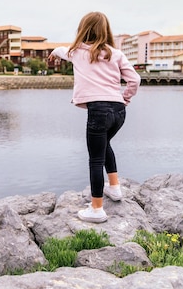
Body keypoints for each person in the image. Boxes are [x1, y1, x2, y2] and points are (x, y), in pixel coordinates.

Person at [49, 11, 140, 223]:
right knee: (105, 144)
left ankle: (97, 209)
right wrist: (125, 98)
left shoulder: (77, 52)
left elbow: (63, 50)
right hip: (118, 111)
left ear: (83, 30)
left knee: (95, 159)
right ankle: (115, 188)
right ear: (106, 30)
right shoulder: (116, 54)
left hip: (98, 111)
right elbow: (135, 80)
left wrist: (54, 52)